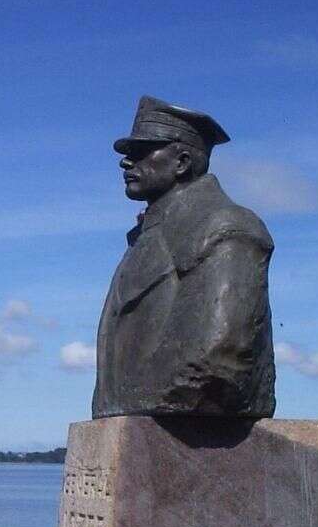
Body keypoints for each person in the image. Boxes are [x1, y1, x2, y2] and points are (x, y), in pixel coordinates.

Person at [92, 96, 276, 418]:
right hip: (131, 419)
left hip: (183, 416)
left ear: (182, 162)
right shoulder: (145, 238)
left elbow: (220, 353)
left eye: (141, 152)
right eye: (127, 153)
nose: (125, 162)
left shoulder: (226, 227)